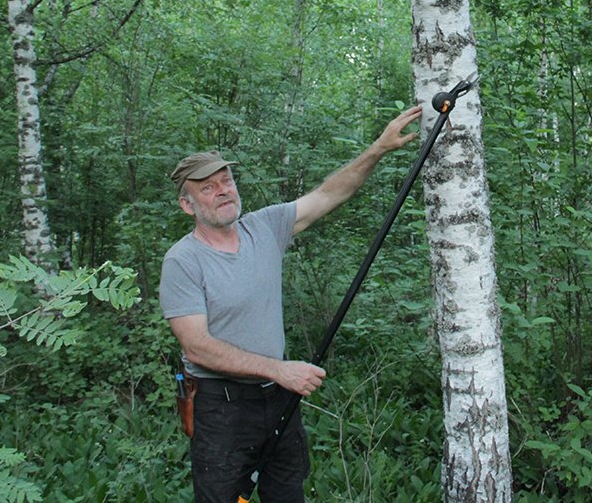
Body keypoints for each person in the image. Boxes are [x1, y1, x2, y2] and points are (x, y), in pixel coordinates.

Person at [159, 105, 423, 503]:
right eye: (207, 188)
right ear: (187, 205)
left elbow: (330, 193)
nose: (223, 191)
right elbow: (197, 346)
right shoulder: (183, 261)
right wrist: (279, 369)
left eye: (225, 180)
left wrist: (379, 148)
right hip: (221, 409)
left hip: (279, 398)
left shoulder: (264, 227)